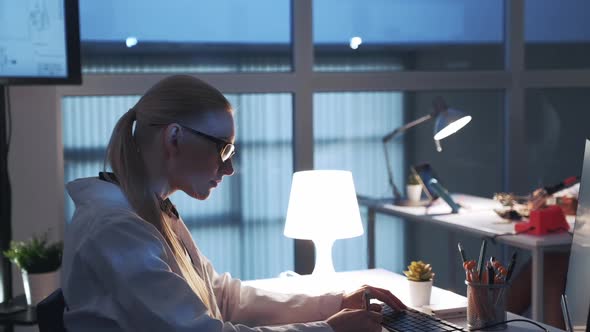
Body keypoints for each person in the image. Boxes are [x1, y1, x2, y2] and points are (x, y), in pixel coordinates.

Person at [61, 75, 406, 331]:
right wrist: (331, 329)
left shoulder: (152, 211)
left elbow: (224, 299)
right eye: (222, 148)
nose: (229, 168)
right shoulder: (116, 230)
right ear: (175, 137)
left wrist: (334, 303)